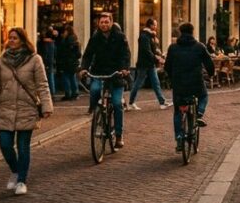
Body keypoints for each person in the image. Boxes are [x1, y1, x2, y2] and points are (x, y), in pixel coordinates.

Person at [0, 28, 53, 196]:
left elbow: (42, 84)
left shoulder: (35, 59)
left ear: (23, 40)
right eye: (10, 38)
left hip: (26, 108)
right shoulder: (2, 60)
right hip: (6, 108)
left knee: (23, 147)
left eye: (15, 38)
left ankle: (22, 181)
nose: (11, 40)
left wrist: (46, 106)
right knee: (5, 144)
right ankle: (15, 170)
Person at [80, 12, 131, 149]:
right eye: (101, 22)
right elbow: (88, 55)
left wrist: (124, 68)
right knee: (95, 90)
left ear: (111, 22)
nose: (104, 25)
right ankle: (96, 111)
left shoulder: (120, 37)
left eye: (106, 22)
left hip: (116, 74)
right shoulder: (95, 37)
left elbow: (126, 54)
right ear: (98, 23)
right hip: (99, 72)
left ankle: (119, 135)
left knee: (117, 103)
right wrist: (83, 68)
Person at [165, 23, 215, 149]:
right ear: (192, 32)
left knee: (178, 111)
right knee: (204, 96)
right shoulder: (199, 47)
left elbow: (167, 66)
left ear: (180, 33)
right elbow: (209, 63)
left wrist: (171, 78)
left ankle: (179, 137)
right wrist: (211, 75)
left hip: (179, 85)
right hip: (196, 83)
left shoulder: (173, 48)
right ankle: (199, 114)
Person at [129, 18, 172, 111]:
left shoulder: (150, 36)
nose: (156, 27)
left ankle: (162, 102)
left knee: (156, 83)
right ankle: (131, 102)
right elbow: (147, 51)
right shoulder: (145, 36)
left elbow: (153, 49)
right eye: (155, 25)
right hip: (144, 64)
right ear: (151, 25)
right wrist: (157, 58)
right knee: (138, 83)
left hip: (150, 64)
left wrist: (159, 54)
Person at [56, 24, 82, 101]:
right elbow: (78, 53)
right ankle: (75, 93)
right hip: (73, 61)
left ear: (67, 31)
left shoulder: (66, 40)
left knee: (66, 77)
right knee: (72, 77)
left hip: (67, 61)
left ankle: (68, 93)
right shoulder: (75, 39)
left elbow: (63, 51)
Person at [37, 28, 57, 99]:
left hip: (47, 61)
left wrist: (45, 62)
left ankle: (51, 93)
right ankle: (52, 93)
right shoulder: (52, 43)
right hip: (51, 61)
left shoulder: (46, 44)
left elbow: (46, 53)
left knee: (48, 77)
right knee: (50, 76)